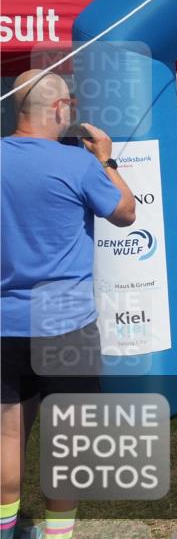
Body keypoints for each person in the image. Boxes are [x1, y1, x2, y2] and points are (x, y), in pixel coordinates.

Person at [2, 70, 136, 539]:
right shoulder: (77, 164)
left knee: (8, 435)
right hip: (65, 322)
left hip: (5, 320)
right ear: (60, 109)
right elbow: (125, 212)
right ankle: (57, 533)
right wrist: (107, 159)